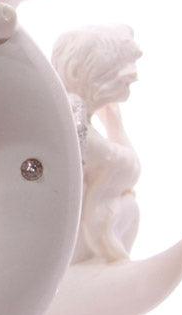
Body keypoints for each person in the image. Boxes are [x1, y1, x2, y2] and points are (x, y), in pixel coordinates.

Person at [52, 25, 142, 263]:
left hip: (62, 241)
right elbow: (127, 167)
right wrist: (115, 125)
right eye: (121, 66)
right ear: (79, 71)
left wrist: (113, 120)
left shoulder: (75, 115)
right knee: (128, 208)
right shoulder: (69, 116)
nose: (134, 76)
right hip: (60, 249)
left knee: (126, 205)